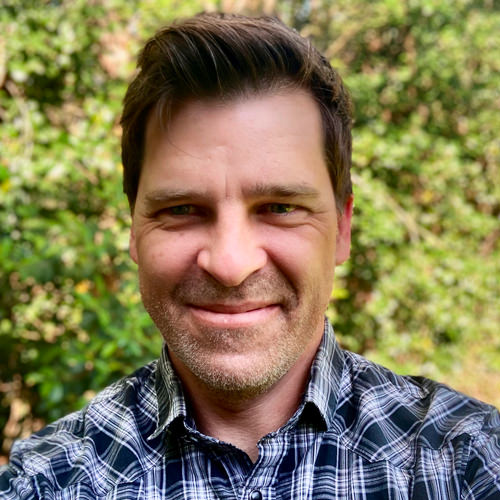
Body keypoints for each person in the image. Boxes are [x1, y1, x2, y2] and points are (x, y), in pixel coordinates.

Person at [1, 12, 499, 500]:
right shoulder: (45, 483)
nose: (230, 264)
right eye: (182, 209)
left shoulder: (470, 464)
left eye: (279, 207)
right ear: (134, 228)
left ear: (342, 228)